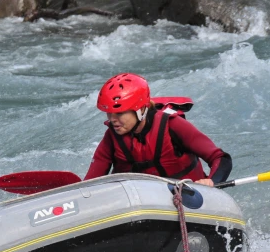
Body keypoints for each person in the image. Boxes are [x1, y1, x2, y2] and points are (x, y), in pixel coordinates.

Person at [84, 73, 232, 186]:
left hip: (186, 198)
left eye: (120, 113)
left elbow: (221, 158)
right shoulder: (112, 137)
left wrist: (212, 181)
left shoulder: (172, 125)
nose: (112, 119)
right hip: (140, 206)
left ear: (141, 109)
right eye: (109, 112)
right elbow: (90, 182)